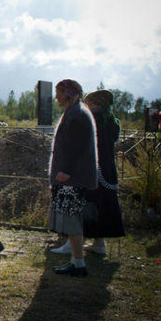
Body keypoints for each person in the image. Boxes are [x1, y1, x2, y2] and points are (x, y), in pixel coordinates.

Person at [47, 79, 98, 277]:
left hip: (72, 177)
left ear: (68, 93)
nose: (56, 97)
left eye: (59, 92)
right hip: (71, 176)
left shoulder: (77, 114)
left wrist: (66, 170)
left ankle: (78, 263)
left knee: (71, 218)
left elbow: (75, 147)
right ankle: (76, 261)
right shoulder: (76, 111)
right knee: (71, 217)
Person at [80, 89, 125, 254]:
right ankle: (99, 242)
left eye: (88, 103)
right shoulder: (112, 121)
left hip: (95, 167)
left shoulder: (94, 119)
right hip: (107, 167)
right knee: (104, 204)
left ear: (96, 104)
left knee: (91, 203)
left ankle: (81, 240)